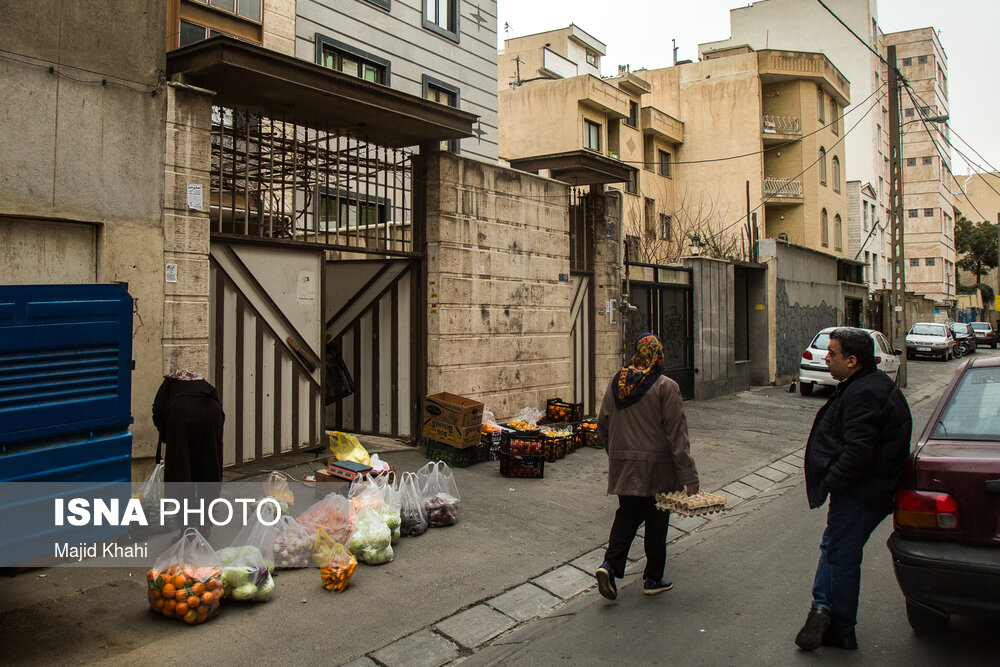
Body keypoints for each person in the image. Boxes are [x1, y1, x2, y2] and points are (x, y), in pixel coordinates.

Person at [795, 328, 912, 651]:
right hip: (866, 489)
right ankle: (822, 608)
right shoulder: (866, 385)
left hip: (862, 492)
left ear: (852, 360)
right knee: (835, 548)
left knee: (841, 555)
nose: (826, 358)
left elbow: (859, 451)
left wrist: (834, 480)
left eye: (832, 353)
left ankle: (840, 625)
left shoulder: (865, 393)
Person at [594, 333, 699, 600]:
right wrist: (689, 476)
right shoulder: (667, 386)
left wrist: (615, 453)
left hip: (624, 465)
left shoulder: (617, 382)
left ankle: (610, 565)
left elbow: (602, 423)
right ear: (659, 356)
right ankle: (653, 577)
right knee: (657, 518)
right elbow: (677, 435)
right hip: (657, 469)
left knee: (627, 513)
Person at [152, 370, 225, 483]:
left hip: (181, 414)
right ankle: (208, 498)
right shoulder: (203, 384)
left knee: (180, 462)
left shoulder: (169, 383)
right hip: (211, 414)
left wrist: (166, 435)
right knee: (209, 460)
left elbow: (157, 409)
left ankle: (181, 497)